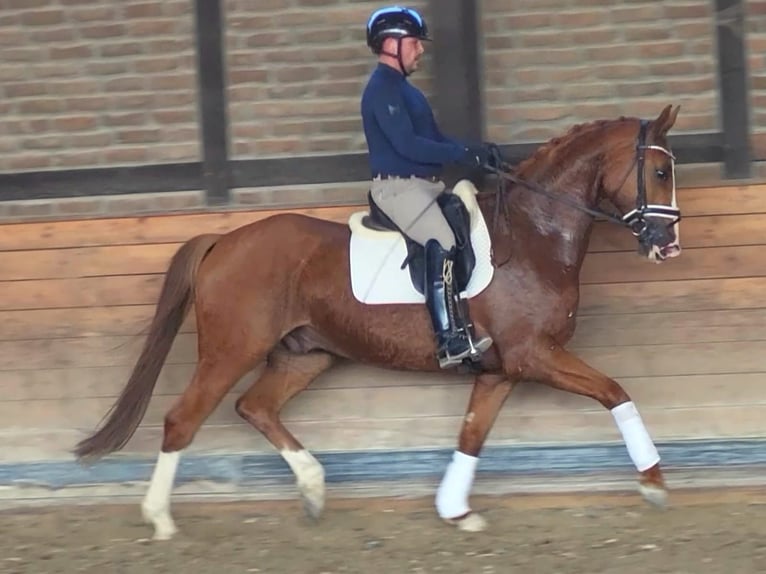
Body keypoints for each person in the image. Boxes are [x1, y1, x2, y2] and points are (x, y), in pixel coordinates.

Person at [361, 5, 497, 369]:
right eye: (415, 43)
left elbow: (434, 139)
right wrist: (460, 153)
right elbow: (407, 146)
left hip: (424, 186)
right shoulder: (381, 91)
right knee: (445, 241)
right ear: (391, 44)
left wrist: (475, 151)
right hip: (398, 190)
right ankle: (449, 339)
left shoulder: (408, 93)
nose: (421, 49)